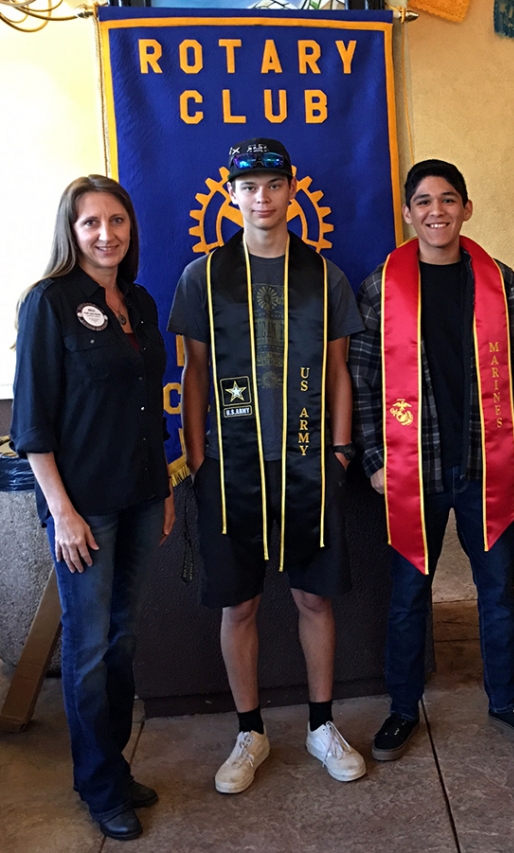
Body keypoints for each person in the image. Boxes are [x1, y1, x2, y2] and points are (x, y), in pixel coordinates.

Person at [168, 138, 365, 793]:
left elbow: (339, 370)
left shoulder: (323, 274)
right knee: (241, 604)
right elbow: (195, 373)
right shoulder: (203, 275)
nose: (261, 197)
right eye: (248, 186)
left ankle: (319, 723)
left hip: (309, 462)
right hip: (232, 468)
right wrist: (197, 457)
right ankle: (250, 729)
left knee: (313, 596)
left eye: (273, 184)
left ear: (290, 191)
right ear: (231, 195)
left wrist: (340, 449)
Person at [349, 159, 514, 761]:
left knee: (497, 592)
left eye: (448, 199)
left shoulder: (499, 280)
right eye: (424, 202)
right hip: (413, 470)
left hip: (484, 466)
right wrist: (373, 458)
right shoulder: (380, 286)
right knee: (411, 593)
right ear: (408, 213)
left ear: (467, 208)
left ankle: (504, 699)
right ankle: (402, 707)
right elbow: (361, 379)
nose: (436, 211)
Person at [10, 175, 175, 841]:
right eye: (90, 223)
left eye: (117, 221)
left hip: (140, 498)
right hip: (83, 507)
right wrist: (64, 512)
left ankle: (110, 766)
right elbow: (32, 422)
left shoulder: (136, 299)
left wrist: (162, 489)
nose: (106, 233)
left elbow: (146, 407)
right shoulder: (48, 303)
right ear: (70, 231)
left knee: (121, 641)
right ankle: (99, 785)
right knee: (87, 649)